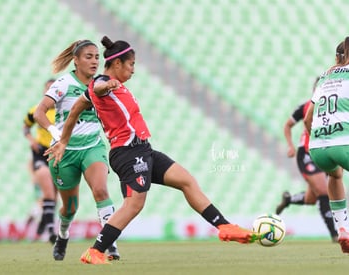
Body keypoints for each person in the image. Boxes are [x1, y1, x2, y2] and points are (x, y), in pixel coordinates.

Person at [45, 35, 259, 265]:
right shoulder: (102, 84)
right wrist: (106, 85)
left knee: (186, 180)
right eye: (131, 64)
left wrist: (64, 139)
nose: (133, 70)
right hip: (127, 153)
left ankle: (224, 226)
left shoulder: (115, 88)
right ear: (117, 64)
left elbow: (76, 108)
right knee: (134, 204)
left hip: (143, 150)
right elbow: (97, 87)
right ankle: (95, 251)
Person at [33, 39, 120, 261]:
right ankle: (63, 236)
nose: (94, 61)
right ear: (76, 60)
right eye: (88, 57)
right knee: (70, 208)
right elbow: (39, 112)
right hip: (65, 153)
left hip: (92, 147)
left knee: (101, 191)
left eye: (96, 57)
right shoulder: (63, 83)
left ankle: (109, 245)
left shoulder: (100, 83)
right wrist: (56, 137)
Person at [276, 77, 338, 242]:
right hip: (307, 153)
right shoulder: (305, 108)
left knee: (312, 198)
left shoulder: (334, 107)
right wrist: (290, 145)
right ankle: (335, 234)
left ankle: (288, 199)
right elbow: (287, 125)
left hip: (325, 152)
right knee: (324, 191)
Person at [304, 37, 349, 254]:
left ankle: (343, 228)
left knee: (335, 176)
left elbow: (307, 119)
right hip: (344, 143)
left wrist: (321, 137)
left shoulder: (325, 77)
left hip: (318, 147)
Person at [23, 79, 58, 243]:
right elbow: (25, 126)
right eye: (48, 90)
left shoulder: (64, 112)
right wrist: (31, 140)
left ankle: (45, 220)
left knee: (55, 194)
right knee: (48, 191)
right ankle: (51, 231)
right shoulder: (35, 111)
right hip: (41, 152)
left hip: (58, 152)